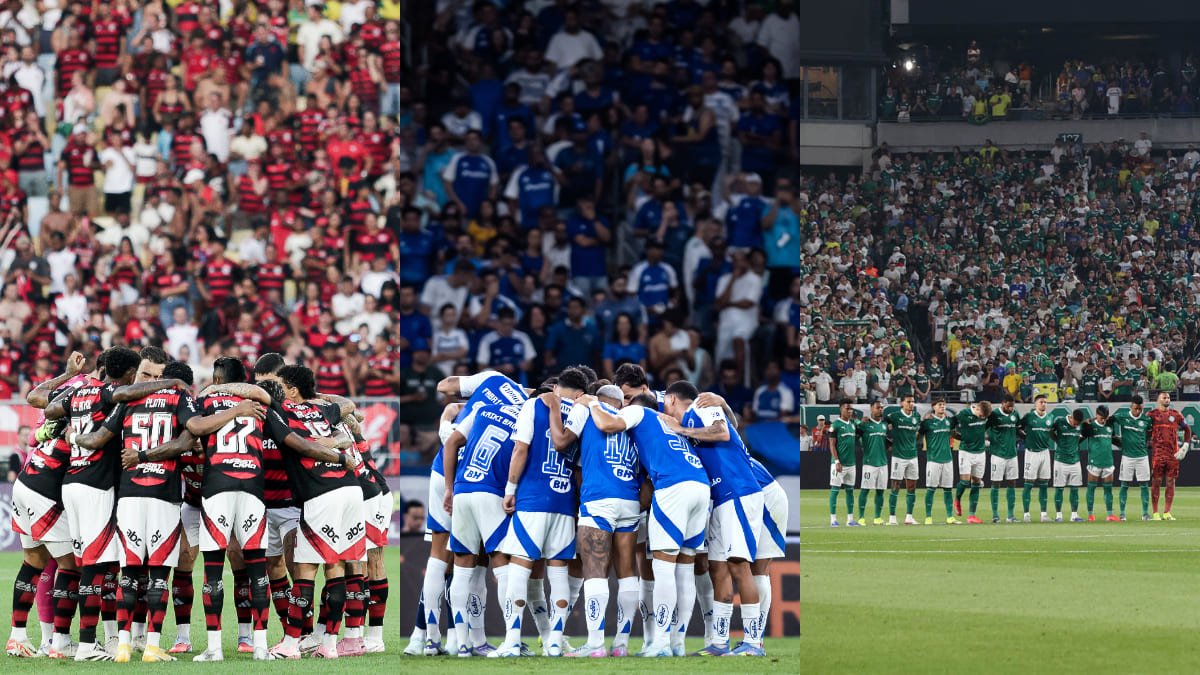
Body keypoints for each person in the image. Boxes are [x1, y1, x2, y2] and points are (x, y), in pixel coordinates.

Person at [71, 360, 199, 663]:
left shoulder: (128, 401)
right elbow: (189, 437)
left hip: (129, 496)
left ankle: (124, 645)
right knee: (157, 575)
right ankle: (152, 646)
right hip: (164, 495)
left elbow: (97, 438)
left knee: (127, 573)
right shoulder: (179, 397)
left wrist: (72, 435)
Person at [586, 381, 712, 658]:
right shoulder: (668, 423)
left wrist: (593, 403)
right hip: (700, 485)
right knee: (685, 567)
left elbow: (610, 425)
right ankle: (678, 643)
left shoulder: (640, 413)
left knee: (665, 567)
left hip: (673, 487)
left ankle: (661, 643)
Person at [493, 371, 586, 658]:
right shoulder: (583, 413)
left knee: (520, 568)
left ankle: (511, 640)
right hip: (564, 501)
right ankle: (555, 641)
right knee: (558, 572)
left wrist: (510, 489)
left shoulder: (535, 405)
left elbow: (520, 449)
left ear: (556, 387)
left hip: (533, 498)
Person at [561, 383, 639, 657]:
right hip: (629, 498)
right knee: (628, 570)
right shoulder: (630, 421)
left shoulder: (588, 410)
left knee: (594, 570)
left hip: (599, 499)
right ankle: (621, 644)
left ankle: (595, 644)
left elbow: (568, 451)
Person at [1146, 391, 1190, 520]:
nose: (1167, 399)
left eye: (1168, 397)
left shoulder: (1176, 415)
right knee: (1156, 482)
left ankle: (1167, 512)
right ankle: (1155, 512)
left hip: (1173, 454)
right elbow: (1144, 430)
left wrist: (1186, 445)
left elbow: (1187, 429)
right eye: (1164, 397)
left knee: (1171, 482)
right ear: (1158, 400)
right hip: (1158, 453)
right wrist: (1147, 442)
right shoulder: (1152, 415)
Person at [1112, 395, 1153, 521]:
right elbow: (1109, 420)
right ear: (1131, 406)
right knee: (1124, 484)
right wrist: (1115, 438)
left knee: (1144, 484)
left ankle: (1145, 513)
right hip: (1127, 456)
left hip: (1142, 456)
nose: (1138, 411)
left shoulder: (1147, 420)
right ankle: (1122, 513)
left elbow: (1149, 434)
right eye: (1136, 408)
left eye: (1140, 409)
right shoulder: (1122, 416)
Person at [919, 398, 958, 526]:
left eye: (944, 405)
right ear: (933, 407)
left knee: (948, 489)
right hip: (933, 460)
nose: (942, 407)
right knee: (931, 488)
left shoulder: (949, 422)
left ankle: (950, 517)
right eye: (939, 405)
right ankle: (928, 517)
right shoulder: (927, 423)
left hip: (947, 459)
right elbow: (918, 435)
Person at [951, 400, 991, 523]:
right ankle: (957, 499)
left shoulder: (986, 415)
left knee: (977, 482)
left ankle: (971, 515)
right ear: (977, 409)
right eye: (981, 416)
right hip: (966, 452)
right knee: (964, 481)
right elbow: (950, 425)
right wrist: (958, 436)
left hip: (980, 453)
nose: (982, 418)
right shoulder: (964, 414)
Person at [885, 395, 921, 525]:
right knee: (895, 486)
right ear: (902, 403)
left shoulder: (916, 417)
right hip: (898, 456)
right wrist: (889, 443)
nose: (911, 404)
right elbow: (883, 427)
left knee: (912, 487)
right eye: (908, 401)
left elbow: (917, 433)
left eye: (912, 401)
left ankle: (909, 517)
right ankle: (892, 518)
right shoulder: (894, 416)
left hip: (912, 456)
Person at [1019, 394, 1055, 523]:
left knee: (1044, 485)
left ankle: (1044, 514)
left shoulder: (1050, 418)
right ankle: (1026, 514)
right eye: (1041, 402)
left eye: (1045, 402)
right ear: (1035, 404)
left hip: (1045, 453)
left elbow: (1052, 433)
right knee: (1028, 484)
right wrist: (1025, 438)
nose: (1043, 404)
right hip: (1031, 453)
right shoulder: (1029, 417)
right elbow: (1018, 429)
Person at [986, 397, 1021, 523]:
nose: (1010, 408)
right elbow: (983, 428)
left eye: (1012, 406)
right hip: (997, 455)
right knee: (996, 483)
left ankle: (1010, 515)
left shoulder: (1015, 414)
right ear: (1002, 404)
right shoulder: (994, 415)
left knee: (1012, 483)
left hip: (1012, 454)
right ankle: (995, 515)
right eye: (1008, 406)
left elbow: (1018, 429)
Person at [1082, 406, 1119, 522]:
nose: (1103, 420)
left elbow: (1113, 438)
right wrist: (1085, 424)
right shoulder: (1090, 426)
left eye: (1105, 418)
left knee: (1108, 490)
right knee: (1091, 489)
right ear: (1096, 415)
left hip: (1108, 462)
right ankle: (1090, 514)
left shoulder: (1110, 425)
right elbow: (1082, 433)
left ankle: (1110, 515)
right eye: (1101, 417)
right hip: (1094, 462)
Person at [855, 402, 889, 526]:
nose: (880, 410)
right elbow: (855, 434)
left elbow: (888, 443)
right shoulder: (864, 425)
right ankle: (861, 517)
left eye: (881, 408)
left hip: (883, 462)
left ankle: (877, 517)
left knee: (880, 491)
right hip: (869, 463)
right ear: (871, 409)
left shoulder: (884, 425)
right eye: (877, 408)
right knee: (865, 490)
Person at [1050, 409, 1086, 523]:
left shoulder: (1081, 426)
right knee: (1059, 489)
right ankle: (1058, 515)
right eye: (1075, 422)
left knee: (1075, 489)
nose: (1076, 425)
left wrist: (1075, 443)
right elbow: (1050, 431)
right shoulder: (1060, 422)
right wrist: (1058, 441)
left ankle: (1074, 515)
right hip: (1060, 461)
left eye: (1078, 424)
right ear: (1071, 417)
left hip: (1075, 461)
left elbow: (1082, 436)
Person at [827, 400, 858, 527]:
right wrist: (837, 461)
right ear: (841, 409)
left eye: (851, 409)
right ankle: (833, 519)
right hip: (839, 464)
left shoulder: (852, 424)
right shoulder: (835, 425)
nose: (849, 411)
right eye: (847, 409)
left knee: (850, 490)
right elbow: (832, 444)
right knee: (835, 490)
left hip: (851, 463)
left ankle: (850, 519)